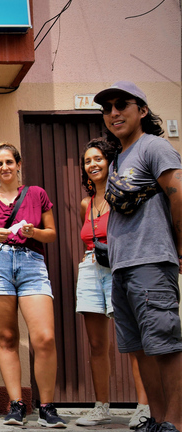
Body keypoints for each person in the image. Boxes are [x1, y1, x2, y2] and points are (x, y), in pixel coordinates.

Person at [94, 81, 182, 432]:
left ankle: (175, 422)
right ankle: (159, 421)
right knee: (142, 349)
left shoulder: (154, 146)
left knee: (164, 345)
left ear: (142, 110)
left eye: (122, 105)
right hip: (122, 267)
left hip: (151, 262)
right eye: (107, 108)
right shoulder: (118, 160)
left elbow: (178, 194)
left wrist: (180, 247)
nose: (113, 113)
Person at [0, 141, 64, 428]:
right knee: (7, 338)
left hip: (31, 265)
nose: (5, 167)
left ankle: (47, 406)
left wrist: (33, 231)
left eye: (9, 162)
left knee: (44, 338)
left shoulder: (36, 194)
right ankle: (16, 405)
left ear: (18, 164)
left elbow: (51, 234)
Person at [74, 138, 150, 428]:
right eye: (87, 161)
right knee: (96, 344)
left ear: (110, 162)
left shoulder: (122, 197)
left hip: (119, 269)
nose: (92, 164)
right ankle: (101, 407)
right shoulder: (86, 203)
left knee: (132, 340)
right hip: (91, 269)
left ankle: (144, 406)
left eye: (98, 159)